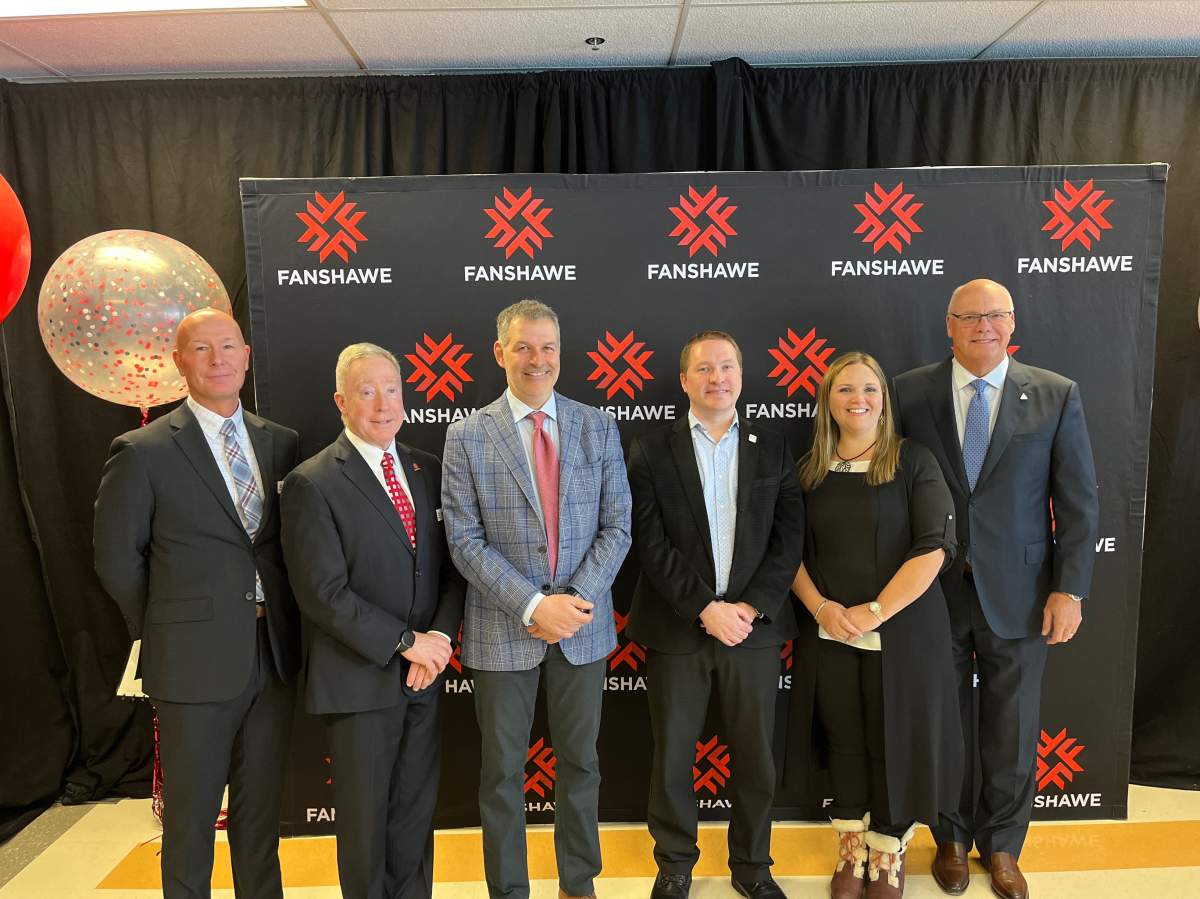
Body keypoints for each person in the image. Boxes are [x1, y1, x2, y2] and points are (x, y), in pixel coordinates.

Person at [893, 279, 1099, 899]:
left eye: (995, 316)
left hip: (1024, 591)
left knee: (1012, 728)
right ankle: (950, 839)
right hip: (932, 590)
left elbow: (1079, 501)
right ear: (948, 326)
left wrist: (1071, 588)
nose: (983, 326)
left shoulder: (1056, 394)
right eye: (970, 316)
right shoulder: (908, 391)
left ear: (1012, 326)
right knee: (945, 724)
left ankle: (1004, 846)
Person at [94, 308, 300, 899]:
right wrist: (168, 626)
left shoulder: (280, 443)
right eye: (201, 349)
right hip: (190, 664)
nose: (217, 359)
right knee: (189, 825)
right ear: (179, 362)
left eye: (227, 347)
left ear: (245, 356)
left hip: (272, 657)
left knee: (261, 823)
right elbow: (116, 560)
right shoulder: (143, 450)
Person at [441, 299, 632, 899]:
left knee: (582, 766)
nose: (538, 359)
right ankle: (509, 891)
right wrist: (531, 605)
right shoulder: (467, 436)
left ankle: (579, 884)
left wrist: (572, 601)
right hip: (503, 631)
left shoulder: (597, 425)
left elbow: (618, 526)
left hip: (583, 628)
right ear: (500, 353)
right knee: (501, 776)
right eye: (524, 347)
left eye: (548, 347)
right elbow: (464, 540)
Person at [280, 343, 464, 899]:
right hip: (359, 680)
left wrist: (438, 641)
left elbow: (453, 569)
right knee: (364, 827)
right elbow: (323, 593)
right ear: (341, 401)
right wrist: (407, 642)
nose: (383, 403)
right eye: (367, 391)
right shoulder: (313, 482)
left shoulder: (425, 468)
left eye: (392, 388)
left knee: (413, 818)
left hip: (423, 676)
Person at [626, 330, 805, 899]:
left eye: (727, 366)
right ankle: (675, 864)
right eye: (704, 369)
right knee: (672, 756)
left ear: (742, 375)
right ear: (684, 381)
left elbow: (789, 539)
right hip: (678, 629)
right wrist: (705, 608)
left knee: (756, 758)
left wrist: (747, 609)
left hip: (753, 631)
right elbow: (649, 543)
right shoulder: (651, 450)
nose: (717, 378)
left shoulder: (774, 448)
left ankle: (752, 867)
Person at [786, 351, 962, 899]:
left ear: (885, 399)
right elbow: (786, 553)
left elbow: (934, 548)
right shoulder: (808, 470)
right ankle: (850, 847)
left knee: (894, 739)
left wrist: (873, 611)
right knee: (845, 740)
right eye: (844, 389)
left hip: (902, 633)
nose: (857, 399)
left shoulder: (914, 461)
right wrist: (822, 609)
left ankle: (888, 851)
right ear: (827, 400)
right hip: (830, 632)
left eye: (869, 388)